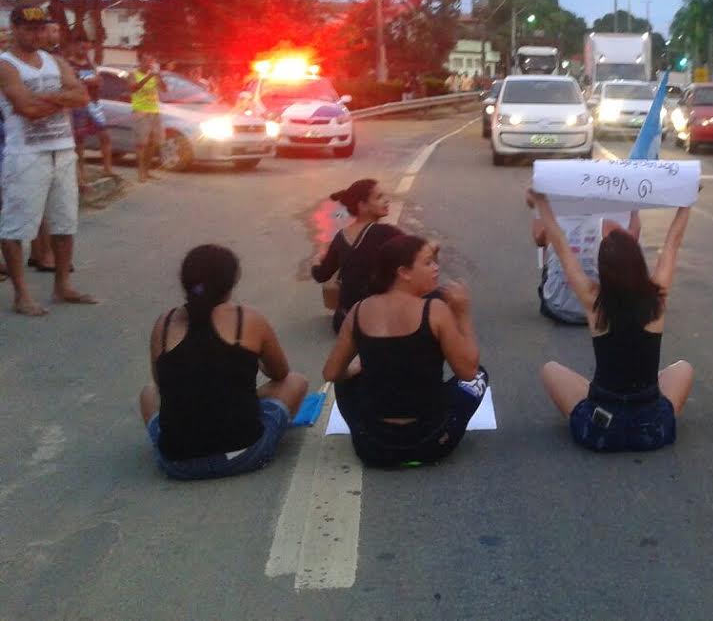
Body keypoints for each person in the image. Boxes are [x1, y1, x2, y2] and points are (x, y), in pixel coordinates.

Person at [530, 188, 693, 452]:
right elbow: (672, 244)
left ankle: (602, 395)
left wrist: (541, 202)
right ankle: (637, 403)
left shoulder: (595, 301)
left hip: (601, 428)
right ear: (638, 261)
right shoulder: (657, 296)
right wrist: (686, 203)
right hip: (651, 428)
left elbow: (560, 246)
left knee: (550, 369)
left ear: (602, 268)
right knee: (683, 368)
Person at [139, 245, 307, 479]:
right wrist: (253, 361)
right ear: (232, 282)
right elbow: (280, 374)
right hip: (244, 454)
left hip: (177, 464)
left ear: (184, 281)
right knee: (296, 382)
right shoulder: (247, 319)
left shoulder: (164, 323)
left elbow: (161, 384)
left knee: (148, 393)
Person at [322, 235, 488, 467]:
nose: (436, 268)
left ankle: (368, 425)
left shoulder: (359, 310)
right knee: (479, 375)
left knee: (345, 377)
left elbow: (331, 372)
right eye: (428, 263)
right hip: (430, 443)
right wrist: (462, 314)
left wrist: (355, 369)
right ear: (404, 272)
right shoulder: (436, 311)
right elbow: (468, 372)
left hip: (373, 446)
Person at [0, 5, 94, 315]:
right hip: (26, 154)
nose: (36, 33)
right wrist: (60, 98)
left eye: (40, 28)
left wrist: (43, 100)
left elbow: (81, 97)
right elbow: (26, 108)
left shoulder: (55, 61)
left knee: (65, 222)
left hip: (63, 151)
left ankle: (62, 285)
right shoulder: (6, 65)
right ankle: (21, 295)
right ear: (14, 28)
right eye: (28, 28)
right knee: (17, 227)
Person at [312, 179, 404, 333]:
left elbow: (321, 275)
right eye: (379, 197)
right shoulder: (386, 233)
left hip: (344, 321)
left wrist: (316, 261)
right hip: (376, 323)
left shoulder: (340, 236)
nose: (386, 200)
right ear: (362, 206)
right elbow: (418, 252)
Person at [532, 209, 641, 324]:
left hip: (555, 307)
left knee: (551, 262)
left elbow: (539, 240)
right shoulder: (605, 226)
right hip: (599, 309)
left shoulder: (553, 226)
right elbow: (632, 239)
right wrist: (634, 213)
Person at [66, 38, 114, 181]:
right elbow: (72, 82)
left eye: (86, 48)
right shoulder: (68, 64)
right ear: (74, 47)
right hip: (78, 104)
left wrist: (87, 80)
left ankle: (107, 168)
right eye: (81, 47)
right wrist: (88, 81)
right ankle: (81, 173)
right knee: (80, 140)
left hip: (94, 103)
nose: (84, 50)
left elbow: (99, 82)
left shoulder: (91, 64)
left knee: (105, 135)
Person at [130, 47, 166, 183]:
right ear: (139, 62)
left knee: (153, 143)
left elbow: (164, 89)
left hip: (154, 111)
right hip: (140, 111)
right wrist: (148, 77)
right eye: (145, 60)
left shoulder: (153, 75)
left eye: (150, 61)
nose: (148, 63)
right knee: (141, 144)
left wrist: (158, 77)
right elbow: (133, 88)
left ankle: (147, 170)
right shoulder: (133, 74)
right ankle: (140, 173)